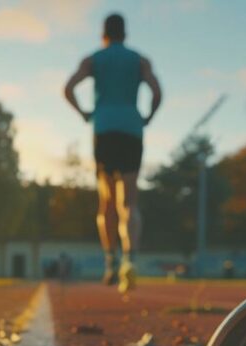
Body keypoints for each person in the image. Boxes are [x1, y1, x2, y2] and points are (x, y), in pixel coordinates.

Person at [64, 13, 161, 293]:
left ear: (103, 34)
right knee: (128, 202)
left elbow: (68, 88)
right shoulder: (139, 60)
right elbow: (157, 92)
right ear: (125, 34)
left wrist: (84, 112)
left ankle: (110, 262)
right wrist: (148, 117)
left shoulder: (94, 59)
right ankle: (129, 261)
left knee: (106, 201)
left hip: (104, 130)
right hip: (131, 129)